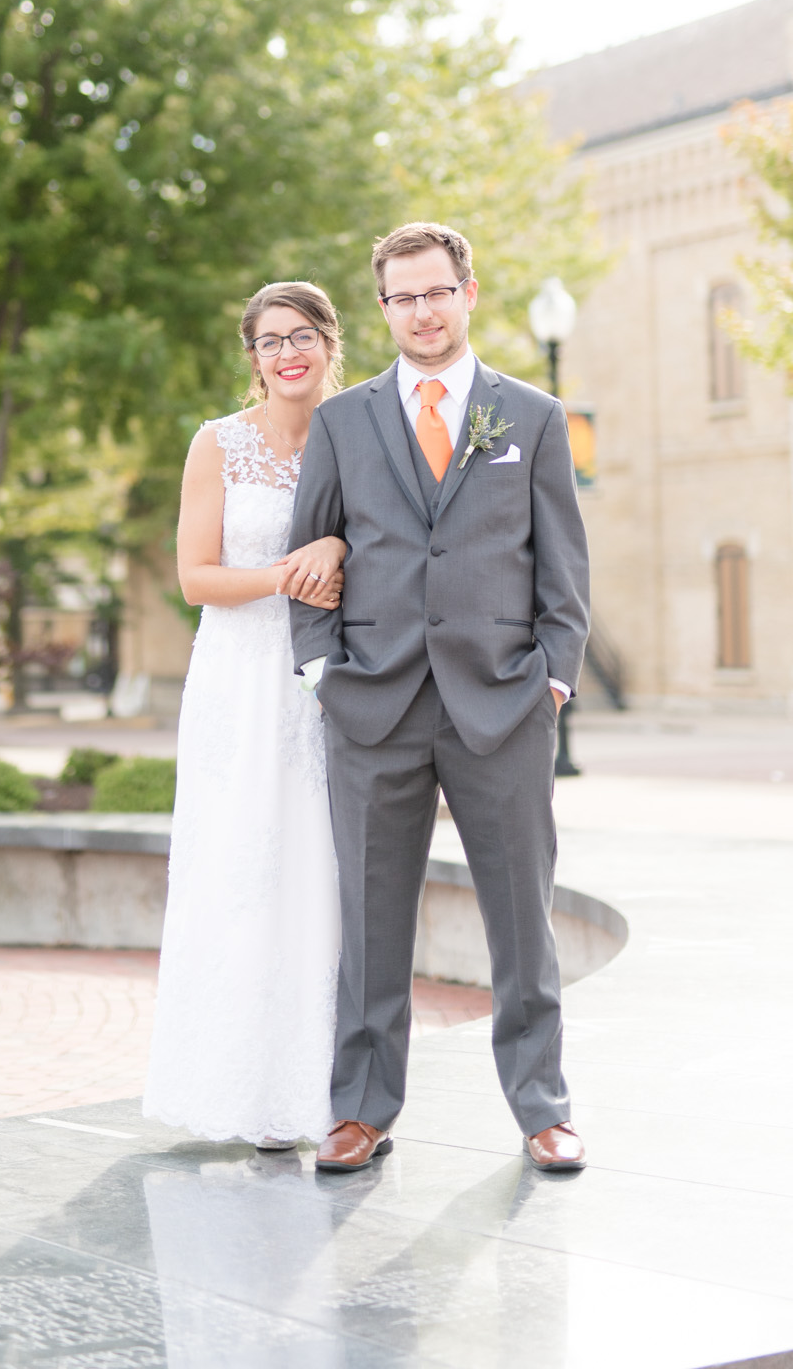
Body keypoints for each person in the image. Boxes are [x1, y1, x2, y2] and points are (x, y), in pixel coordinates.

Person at [287, 221, 591, 1174]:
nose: (421, 312)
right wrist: (319, 671)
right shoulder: (342, 422)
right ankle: (361, 1109)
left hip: (501, 702)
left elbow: (563, 566)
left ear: (468, 293)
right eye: (401, 297)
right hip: (372, 704)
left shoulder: (531, 417)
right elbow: (312, 548)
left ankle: (542, 1108)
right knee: (371, 923)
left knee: (519, 917)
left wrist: (550, 676)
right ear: (383, 308)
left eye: (435, 292)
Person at [143, 282, 349, 1148]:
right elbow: (195, 579)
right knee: (234, 872)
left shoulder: (362, 433)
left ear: (331, 343)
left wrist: (337, 547)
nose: (286, 353)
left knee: (316, 876)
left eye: (301, 336)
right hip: (237, 682)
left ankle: (317, 1098)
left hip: (327, 687)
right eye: (269, 342)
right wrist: (287, 572)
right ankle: (227, 1089)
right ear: (252, 359)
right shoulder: (216, 444)